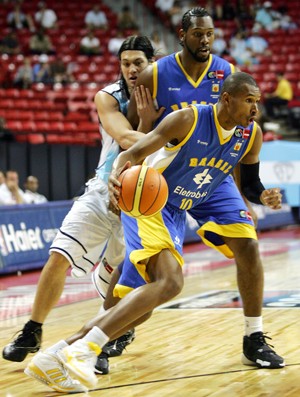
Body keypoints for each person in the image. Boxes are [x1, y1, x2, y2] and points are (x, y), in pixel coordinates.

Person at [24, 72, 284, 393]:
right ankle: (84, 351)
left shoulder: (249, 135)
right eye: (249, 100)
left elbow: (253, 183)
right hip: (150, 200)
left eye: (257, 101)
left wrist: (263, 196)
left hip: (175, 211)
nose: (256, 108)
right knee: (171, 282)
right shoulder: (187, 119)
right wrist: (115, 179)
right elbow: (131, 153)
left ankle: (56, 355)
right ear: (227, 99)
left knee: (137, 311)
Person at [127, 6, 283, 368]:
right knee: (147, 269)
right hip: (165, 175)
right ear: (182, 35)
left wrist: (259, 195)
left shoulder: (227, 73)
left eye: (211, 34)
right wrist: (126, 178)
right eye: (199, 34)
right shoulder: (155, 74)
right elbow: (136, 134)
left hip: (213, 174)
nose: (206, 40)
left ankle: (254, 336)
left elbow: (241, 147)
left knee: (247, 243)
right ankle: (115, 330)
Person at [3, 35, 162, 392]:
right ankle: (32, 329)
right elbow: (124, 138)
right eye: (126, 63)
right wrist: (161, 131)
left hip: (144, 202)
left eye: (139, 62)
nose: (133, 69)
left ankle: (101, 340)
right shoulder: (107, 96)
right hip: (105, 188)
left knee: (118, 282)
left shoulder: (169, 95)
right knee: (59, 255)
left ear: (152, 62)